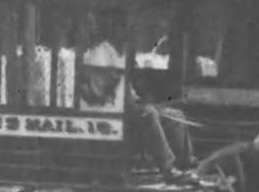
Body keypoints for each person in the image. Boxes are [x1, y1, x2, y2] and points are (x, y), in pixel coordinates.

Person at [79, 33, 197, 183]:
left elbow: (127, 88)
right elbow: (101, 88)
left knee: (175, 115)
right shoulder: (98, 54)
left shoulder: (117, 53)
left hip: (125, 105)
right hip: (104, 107)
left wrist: (136, 99)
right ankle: (167, 168)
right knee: (148, 114)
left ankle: (186, 164)